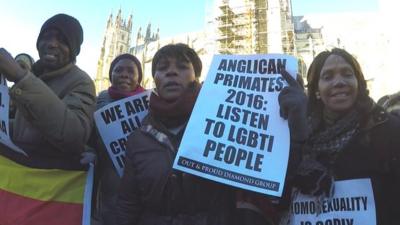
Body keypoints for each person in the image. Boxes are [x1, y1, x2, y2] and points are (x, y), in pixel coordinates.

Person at [115, 43, 236, 225]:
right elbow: (127, 204)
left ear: (196, 75)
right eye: (162, 68)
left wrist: (295, 122)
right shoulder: (138, 139)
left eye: (182, 66)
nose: (171, 72)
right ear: (154, 78)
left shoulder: (225, 125)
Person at [278, 48, 400, 225]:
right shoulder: (299, 136)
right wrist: (296, 137)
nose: (339, 82)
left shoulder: (388, 130)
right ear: (316, 91)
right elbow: (279, 198)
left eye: (347, 74)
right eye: (328, 77)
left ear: (358, 83)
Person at [0, 13, 95, 224]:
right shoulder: (36, 76)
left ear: (74, 50)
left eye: (62, 40)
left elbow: (73, 134)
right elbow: (27, 128)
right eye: (47, 37)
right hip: (19, 184)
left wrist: (20, 76)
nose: (52, 44)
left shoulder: (81, 82)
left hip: (49, 195)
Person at [91, 53, 146, 225]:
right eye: (119, 70)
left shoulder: (153, 105)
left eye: (131, 71)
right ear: (110, 74)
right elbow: (89, 139)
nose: (124, 74)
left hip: (143, 185)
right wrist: (91, 152)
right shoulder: (98, 103)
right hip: (110, 187)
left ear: (139, 78)